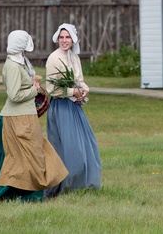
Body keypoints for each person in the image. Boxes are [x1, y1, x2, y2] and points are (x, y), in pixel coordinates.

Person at [0, 30, 68, 204]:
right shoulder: (13, 65)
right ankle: (26, 195)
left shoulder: (20, 62)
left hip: (26, 116)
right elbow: (14, 95)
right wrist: (34, 90)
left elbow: (21, 87)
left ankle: (30, 193)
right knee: (25, 159)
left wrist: (31, 84)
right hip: (17, 118)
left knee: (35, 155)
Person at [44, 23, 101, 197]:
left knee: (86, 144)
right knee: (68, 148)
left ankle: (83, 184)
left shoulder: (74, 57)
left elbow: (80, 80)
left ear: (73, 39)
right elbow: (51, 88)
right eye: (61, 37)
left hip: (74, 106)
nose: (64, 40)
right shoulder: (54, 58)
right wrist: (71, 91)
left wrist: (84, 90)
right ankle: (65, 185)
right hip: (60, 107)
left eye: (67, 37)